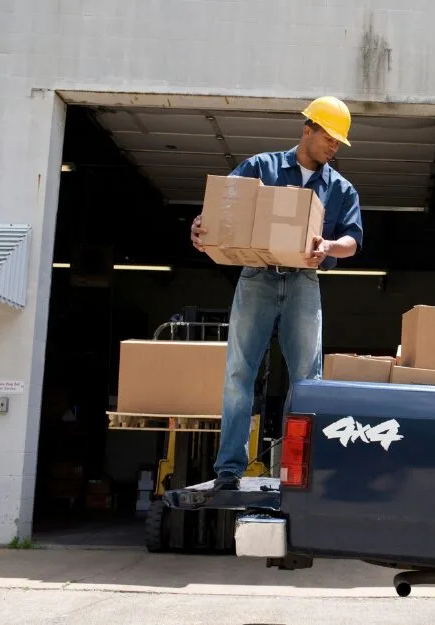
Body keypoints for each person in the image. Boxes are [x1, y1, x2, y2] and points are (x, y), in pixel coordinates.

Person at [190, 96, 363, 490]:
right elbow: (222, 210)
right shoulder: (261, 168)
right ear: (308, 130)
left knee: (307, 379)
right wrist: (203, 227)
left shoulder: (339, 188)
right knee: (239, 372)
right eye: (329, 138)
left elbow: (352, 241)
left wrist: (327, 248)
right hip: (258, 278)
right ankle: (229, 469)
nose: (334, 147)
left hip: (304, 282)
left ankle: (298, 471)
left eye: (339, 142)